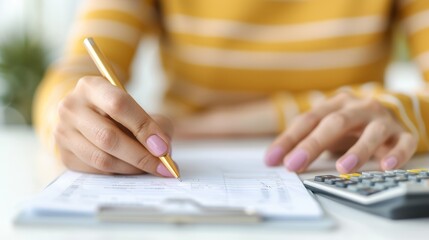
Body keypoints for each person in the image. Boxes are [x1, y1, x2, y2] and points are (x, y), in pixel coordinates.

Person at [33, 0, 429, 177]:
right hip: (185, 162)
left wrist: (397, 112)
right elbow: (80, 67)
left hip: (348, 163)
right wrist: (66, 115)